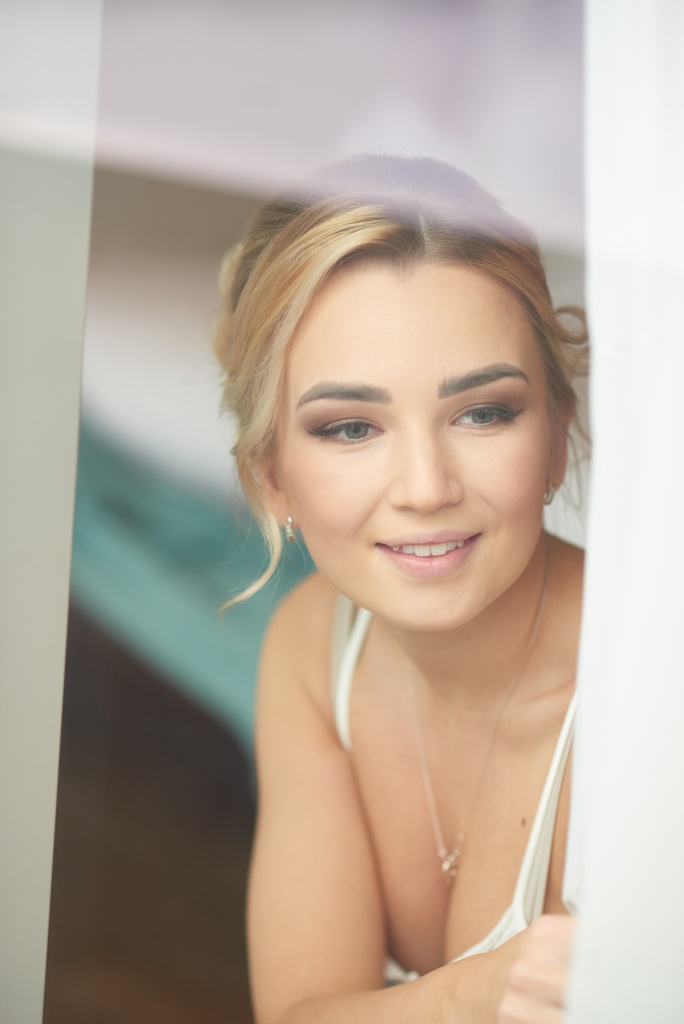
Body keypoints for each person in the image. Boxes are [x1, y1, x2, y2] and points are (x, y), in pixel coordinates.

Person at [214, 155, 587, 1024]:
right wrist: (472, 995)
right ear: (272, 475)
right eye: (351, 427)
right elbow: (300, 1012)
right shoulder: (314, 645)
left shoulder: (646, 697)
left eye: (483, 412)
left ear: (557, 437)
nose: (425, 488)